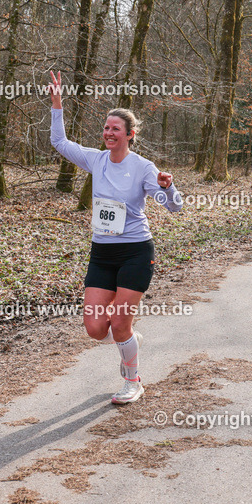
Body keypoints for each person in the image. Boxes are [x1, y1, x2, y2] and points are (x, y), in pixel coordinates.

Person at [48, 71, 182, 405]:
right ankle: (128, 338)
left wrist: (168, 187)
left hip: (136, 252)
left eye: (115, 129)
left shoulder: (143, 167)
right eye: (106, 128)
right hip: (103, 253)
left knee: (119, 320)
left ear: (129, 134)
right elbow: (59, 143)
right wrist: (57, 106)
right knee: (95, 329)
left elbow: (174, 207)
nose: (108, 133)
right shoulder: (96, 160)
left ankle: (132, 380)